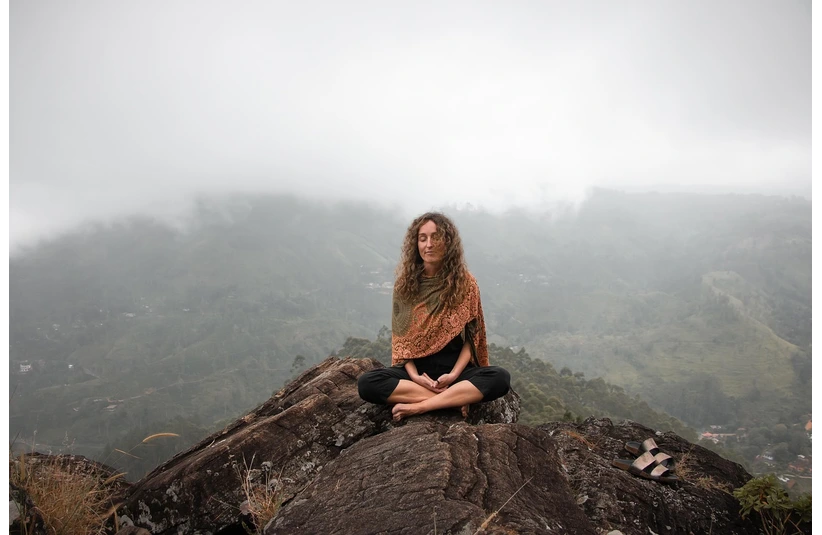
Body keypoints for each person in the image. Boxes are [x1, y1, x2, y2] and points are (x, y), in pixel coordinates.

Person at [357, 211, 511, 422]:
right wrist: (415, 377)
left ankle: (421, 406)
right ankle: (453, 401)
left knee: (500, 378)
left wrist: (455, 375)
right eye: (423, 238)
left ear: (448, 242)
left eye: (435, 237)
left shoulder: (466, 284)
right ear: (416, 244)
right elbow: (402, 344)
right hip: (417, 373)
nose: (429, 244)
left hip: (455, 371)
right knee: (367, 384)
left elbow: (472, 339)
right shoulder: (405, 286)